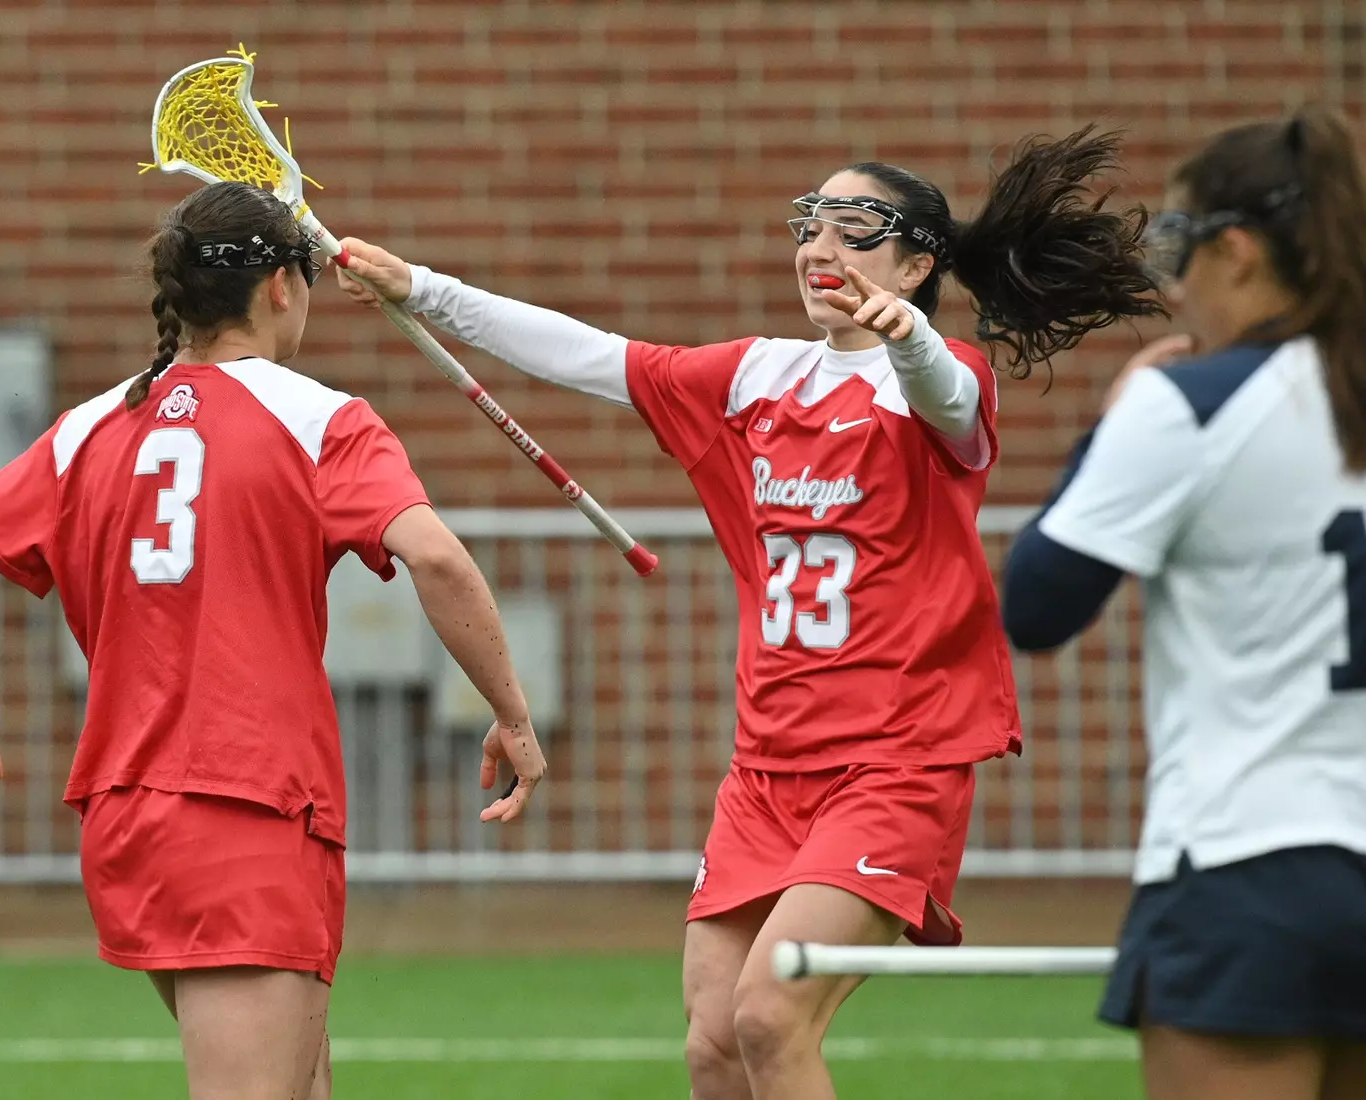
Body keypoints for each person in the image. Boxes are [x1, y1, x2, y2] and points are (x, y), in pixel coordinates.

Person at [334, 128, 1161, 1099]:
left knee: (771, 1016)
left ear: (916, 260)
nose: (819, 245)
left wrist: (911, 337)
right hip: (767, 765)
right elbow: (588, 355)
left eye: (854, 228)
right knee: (713, 1044)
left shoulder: (943, 383)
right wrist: (419, 287)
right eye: (809, 222)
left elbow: (944, 400)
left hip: (896, 759)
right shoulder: (754, 376)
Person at [0, 180, 546, 1100]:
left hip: (130, 813)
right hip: (248, 808)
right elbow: (438, 562)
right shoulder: (322, 419)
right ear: (281, 286)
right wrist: (512, 711)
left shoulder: (88, 427)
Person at [1002, 106, 1366, 1100]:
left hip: (1248, 870)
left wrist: (1109, 425)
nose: (1166, 282)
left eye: (1175, 245)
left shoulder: (1185, 405)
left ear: (1239, 252)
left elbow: (1032, 605)